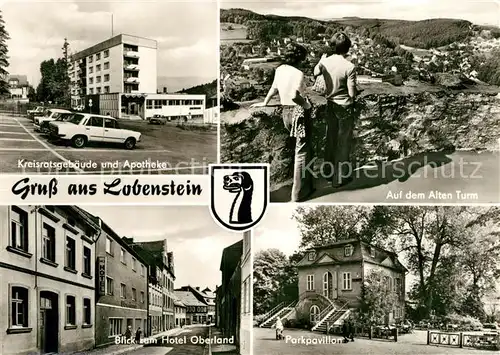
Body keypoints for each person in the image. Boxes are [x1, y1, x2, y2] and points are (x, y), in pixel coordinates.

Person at [251, 43, 315, 202]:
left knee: (301, 149)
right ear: (300, 58)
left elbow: (274, 88)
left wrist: (265, 103)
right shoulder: (298, 73)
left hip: (286, 112)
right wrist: (307, 105)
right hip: (298, 113)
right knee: (302, 153)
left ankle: (305, 187)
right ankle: (298, 194)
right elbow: (295, 96)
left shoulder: (280, 70)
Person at [314, 32, 357, 187]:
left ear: (333, 46)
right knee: (343, 143)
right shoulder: (350, 66)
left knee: (330, 140)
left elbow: (315, 73)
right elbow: (351, 93)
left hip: (330, 104)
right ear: (347, 48)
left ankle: (328, 174)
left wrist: (320, 61)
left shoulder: (325, 62)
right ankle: (338, 180)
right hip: (344, 107)